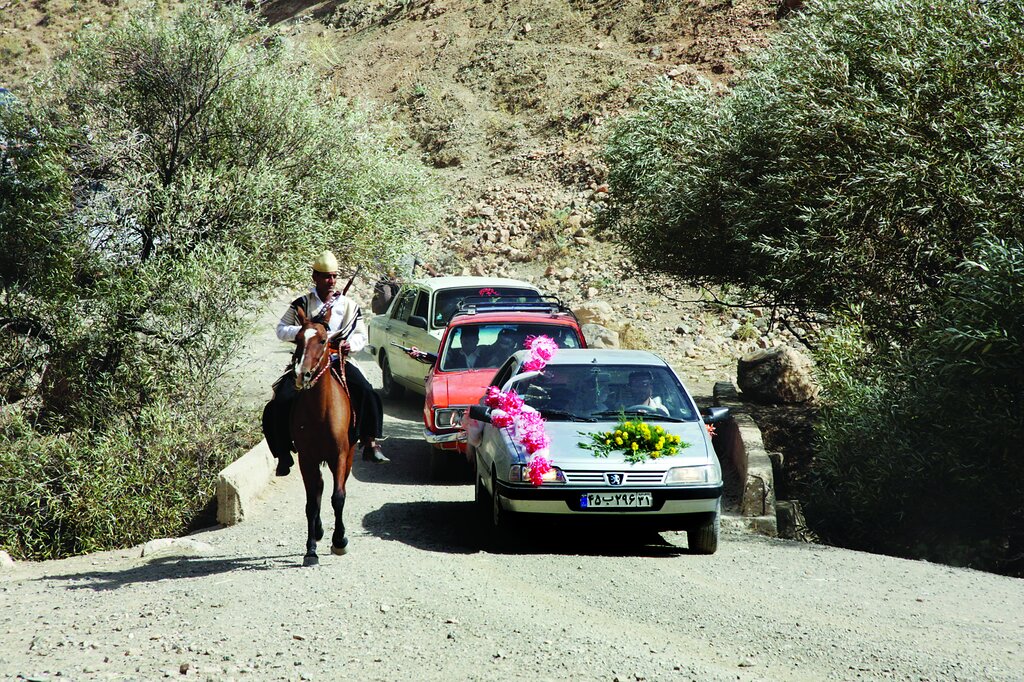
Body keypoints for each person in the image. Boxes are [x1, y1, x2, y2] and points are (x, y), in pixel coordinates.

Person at [262, 250, 388, 476]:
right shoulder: (301, 303)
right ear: (315, 277)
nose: (331, 281)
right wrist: (304, 332)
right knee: (278, 402)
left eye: (334, 276)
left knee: (367, 392)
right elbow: (281, 330)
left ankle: (370, 442)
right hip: (307, 361)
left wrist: (351, 345)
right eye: (326, 276)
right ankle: (282, 454)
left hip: (337, 360)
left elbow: (361, 335)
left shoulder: (348, 305)